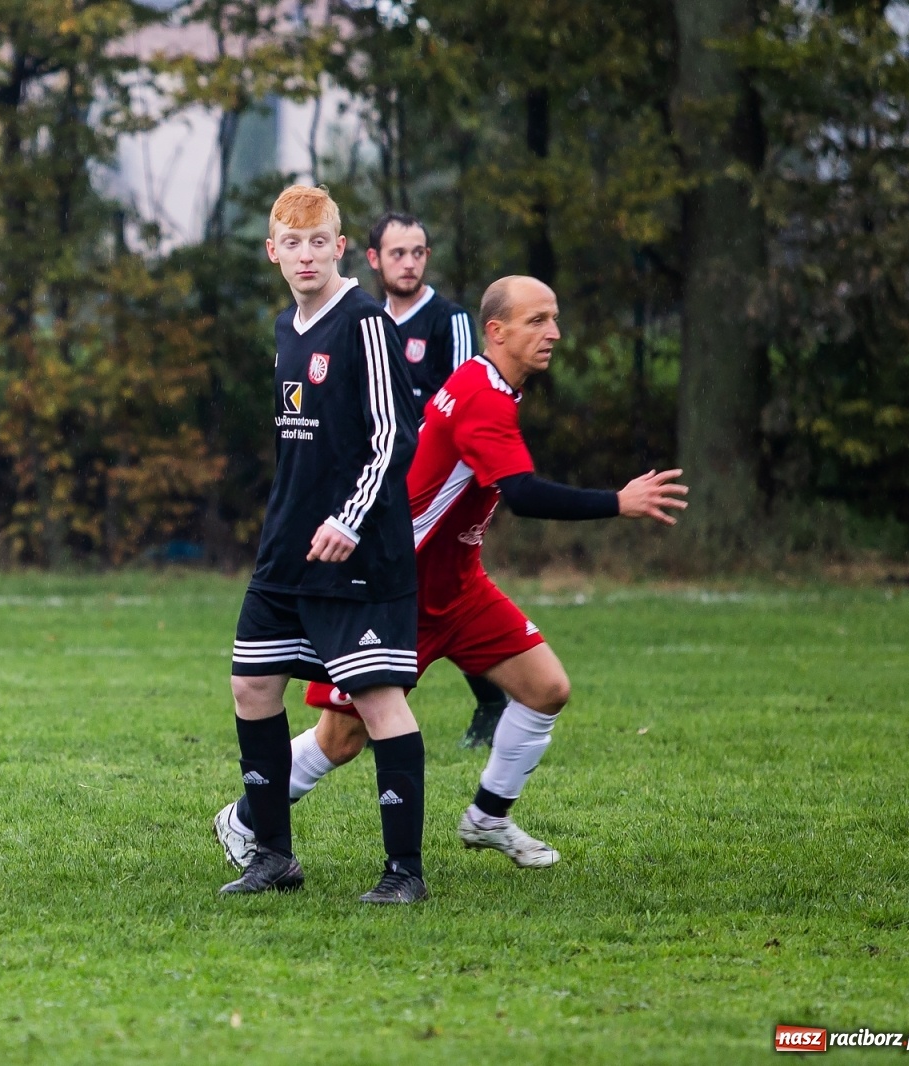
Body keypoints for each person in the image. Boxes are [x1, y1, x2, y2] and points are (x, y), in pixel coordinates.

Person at [215, 275, 687, 872]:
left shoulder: (476, 379)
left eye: (554, 318)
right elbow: (523, 494)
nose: (554, 333)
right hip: (395, 589)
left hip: (458, 585)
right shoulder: (484, 398)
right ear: (497, 332)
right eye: (538, 320)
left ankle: (489, 816)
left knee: (547, 690)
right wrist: (618, 502)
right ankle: (247, 818)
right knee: (342, 738)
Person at [222, 184, 428, 905]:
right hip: (287, 549)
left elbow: (393, 436)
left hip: (359, 552)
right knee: (251, 684)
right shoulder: (287, 326)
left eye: (318, 242)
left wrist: (348, 518)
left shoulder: (364, 322)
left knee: (375, 701)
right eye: (291, 243)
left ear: (340, 248)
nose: (305, 255)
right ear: (272, 251)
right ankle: (273, 856)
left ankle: (405, 872)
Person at [368, 212, 508, 747]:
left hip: (436, 488)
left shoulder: (447, 320)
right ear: (374, 259)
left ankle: (488, 699)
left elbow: (458, 403)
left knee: (438, 590)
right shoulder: (366, 322)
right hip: (380, 482)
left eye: (418, 252)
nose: (409, 262)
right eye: (398, 253)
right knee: (420, 591)